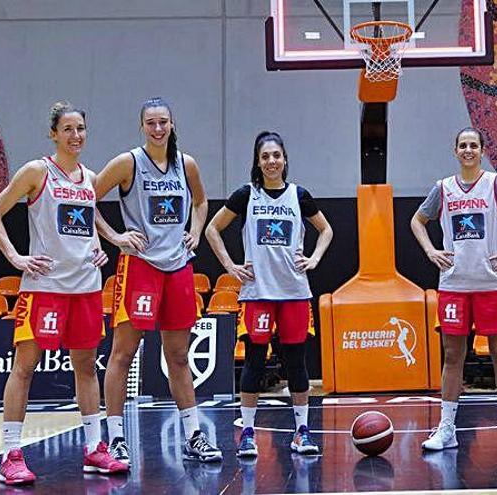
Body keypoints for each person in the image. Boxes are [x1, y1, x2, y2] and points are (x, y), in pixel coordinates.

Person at [0, 102, 127, 484]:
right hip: (44, 288)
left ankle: (95, 448)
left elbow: (87, 220)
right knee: (25, 367)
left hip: (85, 287)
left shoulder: (90, 179)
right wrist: (16, 257)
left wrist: (101, 244)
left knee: (85, 368)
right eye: (67, 129)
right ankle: (10, 455)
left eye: (80, 128)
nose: (75, 135)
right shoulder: (37, 171)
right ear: (53, 133)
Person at [95, 97, 221, 463]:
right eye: (151, 122)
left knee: (179, 356)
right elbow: (86, 199)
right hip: (140, 268)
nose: (158, 128)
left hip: (178, 267)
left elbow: (200, 202)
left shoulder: (187, 164)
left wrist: (195, 232)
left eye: (163, 122)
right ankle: (116, 437)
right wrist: (116, 237)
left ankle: (194, 434)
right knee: (123, 354)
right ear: (142, 126)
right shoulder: (128, 162)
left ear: (172, 124)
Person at [411, 127, 497, 452]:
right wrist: (430, 252)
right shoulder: (442, 189)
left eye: (473, 145)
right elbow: (417, 221)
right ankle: (446, 429)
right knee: (453, 356)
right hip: (454, 285)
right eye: (463, 145)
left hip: (493, 285)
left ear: (482, 150)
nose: (468, 150)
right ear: (455, 151)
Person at [205, 131, 333, 458]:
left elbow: (326, 229)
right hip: (258, 291)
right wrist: (230, 266)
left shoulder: (299, 195)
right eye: (265, 156)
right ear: (258, 162)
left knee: (296, 365)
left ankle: (302, 432)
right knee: (254, 363)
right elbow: (211, 229)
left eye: (276, 155)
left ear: (285, 159)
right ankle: (246, 433)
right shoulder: (247, 195)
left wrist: (315, 258)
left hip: (293, 292)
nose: (271, 161)